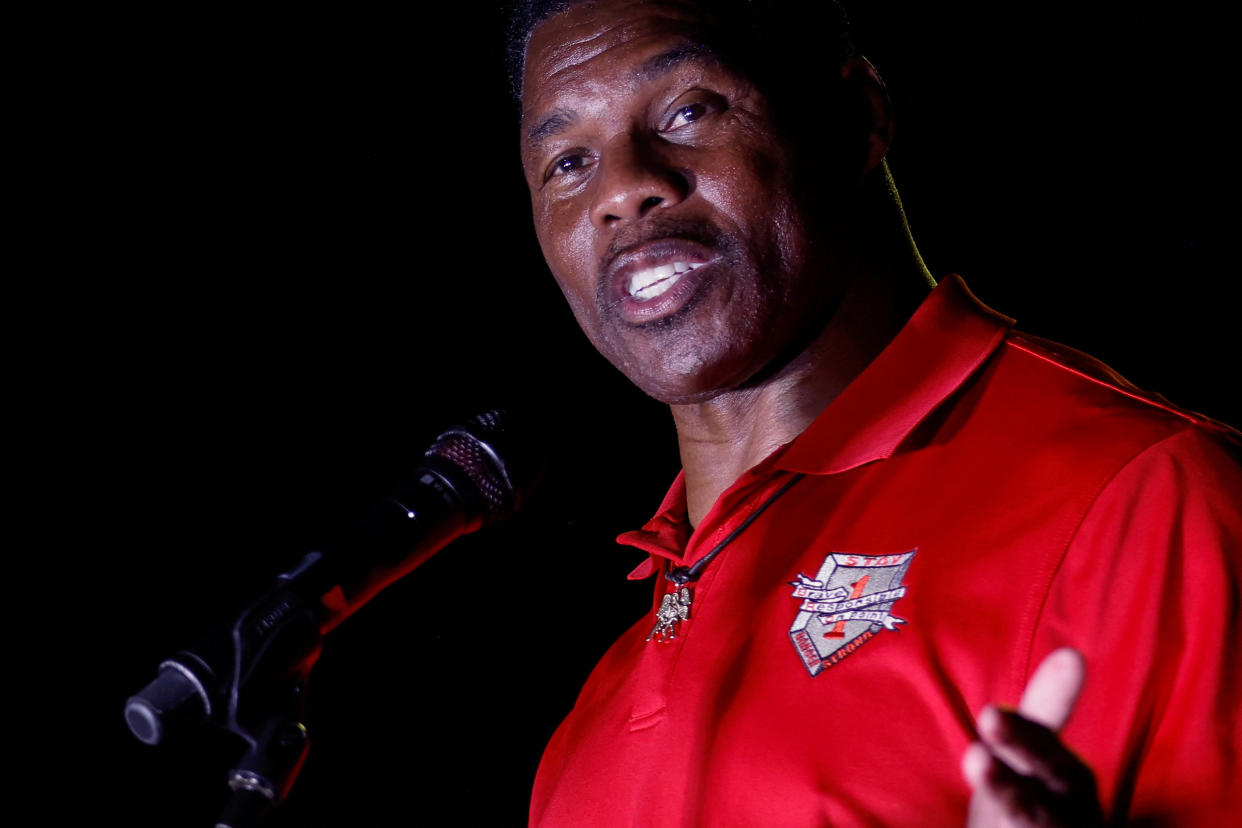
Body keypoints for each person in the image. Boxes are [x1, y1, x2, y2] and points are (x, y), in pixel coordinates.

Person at [508, 0, 1242, 824]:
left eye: (687, 110)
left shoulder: (1138, 495)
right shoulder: (588, 727)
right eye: (567, 163)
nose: (623, 190)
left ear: (858, 120)